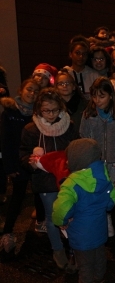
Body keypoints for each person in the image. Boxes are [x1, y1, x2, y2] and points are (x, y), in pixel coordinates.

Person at [20, 88, 79, 269]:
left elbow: (76, 149)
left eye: (54, 110)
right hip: (44, 180)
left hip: (66, 179)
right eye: (46, 110)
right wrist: (29, 162)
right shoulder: (31, 129)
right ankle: (57, 249)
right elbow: (22, 153)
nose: (51, 114)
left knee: (71, 215)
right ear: (39, 110)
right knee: (52, 217)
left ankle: (75, 250)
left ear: (61, 108)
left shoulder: (69, 126)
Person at [80, 78, 115, 249]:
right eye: (95, 97)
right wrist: (85, 162)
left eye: (102, 96)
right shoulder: (89, 115)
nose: (97, 101)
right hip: (97, 163)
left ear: (111, 96)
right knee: (101, 196)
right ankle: (107, 224)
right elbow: (84, 139)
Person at [52, 138, 115, 283]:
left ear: (77, 159)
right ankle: (99, 277)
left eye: (69, 158)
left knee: (85, 265)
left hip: (81, 236)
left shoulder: (71, 183)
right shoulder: (103, 176)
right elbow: (111, 201)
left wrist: (60, 221)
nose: (67, 162)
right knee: (100, 258)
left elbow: (62, 207)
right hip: (100, 231)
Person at [0, 79, 42, 254]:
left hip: (34, 160)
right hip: (18, 162)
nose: (31, 93)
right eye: (29, 89)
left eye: (35, 91)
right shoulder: (10, 112)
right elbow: (5, 141)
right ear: (21, 90)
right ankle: (7, 231)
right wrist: (9, 166)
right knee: (17, 197)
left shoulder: (38, 112)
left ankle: (41, 226)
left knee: (39, 194)